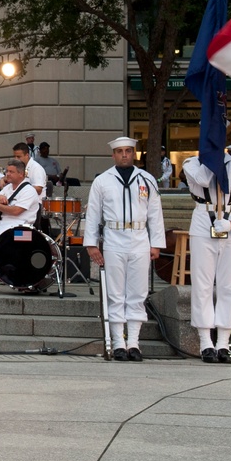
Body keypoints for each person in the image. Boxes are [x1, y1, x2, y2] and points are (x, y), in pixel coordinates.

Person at [83, 137, 166, 361]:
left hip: (139, 237)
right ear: (113, 155)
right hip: (113, 237)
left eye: (128, 151)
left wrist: (156, 243)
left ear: (134, 154)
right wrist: (91, 243)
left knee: (138, 292)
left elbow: (155, 213)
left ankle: (134, 343)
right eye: (120, 151)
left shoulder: (147, 179)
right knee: (115, 292)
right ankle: (118, 342)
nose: (124, 155)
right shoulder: (103, 181)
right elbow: (93, 213)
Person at [183, 151, 231, 364]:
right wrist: (212, 157)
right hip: (203, 219)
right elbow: (203, 179)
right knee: (203, 284)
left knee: (228, 285)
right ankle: (205, 342)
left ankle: (224, 343)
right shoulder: (192, 163)